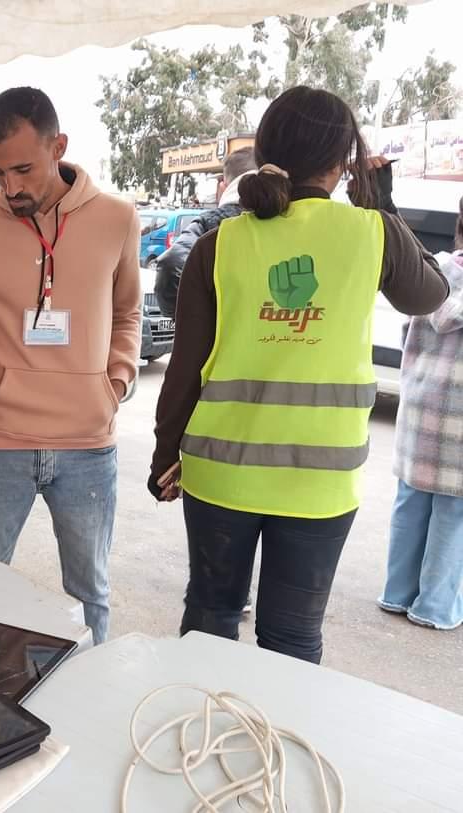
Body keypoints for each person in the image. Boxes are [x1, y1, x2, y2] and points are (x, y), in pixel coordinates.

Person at [149, 86, 449, 664]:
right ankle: (274, 752)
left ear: (265, 148)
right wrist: (382, 206)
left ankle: (199, 740)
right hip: (319, 484)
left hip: (220, 475)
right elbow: (429, 295)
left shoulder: (220, 244)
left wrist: (165, 454)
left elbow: (185, 367)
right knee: (291, 640)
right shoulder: (372, 233)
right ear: (343, 160)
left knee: (210, 618)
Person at [0, 87, 142, 645]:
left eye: (23, 169)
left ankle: (90, 688)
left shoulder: (118, 219)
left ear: (59, 147)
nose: (11, 187)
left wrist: (116, 382)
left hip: (87, 441)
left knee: (89, 593)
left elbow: (128, 313)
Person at [379, 198, 463, 631]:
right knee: (453, 515)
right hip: (459, 423)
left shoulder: (434, 272)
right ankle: (433, 607)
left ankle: (396, 593)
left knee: (410, 503)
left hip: (420, 408)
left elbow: (406, 329)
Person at [154, 147, 258, 319]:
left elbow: (171, 265)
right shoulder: (287, 222)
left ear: (223, 187)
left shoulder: (208, 224)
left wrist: (194, 320)